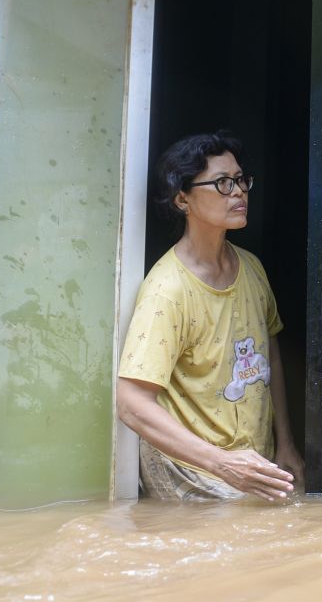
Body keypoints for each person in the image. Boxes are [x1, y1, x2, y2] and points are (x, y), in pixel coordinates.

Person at [116, 131, 303, 501]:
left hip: (251, 464)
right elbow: (131, 403)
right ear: (182, 198)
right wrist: (222, 464)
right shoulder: (167, 290)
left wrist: (286, 444)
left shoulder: (252, 268)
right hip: (195, 473)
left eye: (240, 180)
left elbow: (271, 354)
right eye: (222, 183)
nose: (239, 192)